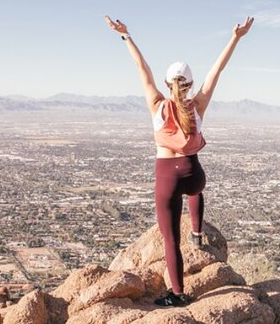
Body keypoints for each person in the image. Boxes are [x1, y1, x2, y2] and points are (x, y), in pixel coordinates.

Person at [104, 15, 254, 307]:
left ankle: (177, 294)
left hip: (168, 178)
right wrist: (236, 37)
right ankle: (197, 232)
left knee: (171, 239)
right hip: (193, 173)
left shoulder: (156, 104)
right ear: (189, 84)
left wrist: (126, 35)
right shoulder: (198, 105)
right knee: (196, 190)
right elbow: (217, 70)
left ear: (167, 83)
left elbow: (141, 67)